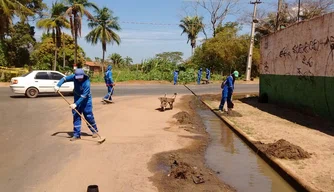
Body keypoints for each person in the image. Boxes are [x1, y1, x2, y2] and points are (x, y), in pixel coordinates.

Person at [54, 68, 99, 141]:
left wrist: (75, 104)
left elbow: (84, 96)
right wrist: (58, 85)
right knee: (76, 116)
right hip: (77, 98)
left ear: (83, 75)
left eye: (80, 78)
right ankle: (76, 134)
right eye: (78, 78)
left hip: (86, 101)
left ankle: (94, 131)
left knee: (88, 116)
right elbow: (64, 79)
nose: (79, 79)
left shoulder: (87, 83)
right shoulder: (74, 77)